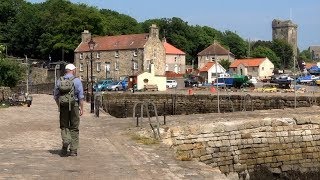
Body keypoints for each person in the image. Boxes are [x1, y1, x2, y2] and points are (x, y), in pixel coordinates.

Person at [53, 63, 84, 157]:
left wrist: (59, 106)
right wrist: (81, 108)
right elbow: (81, 97)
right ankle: (73, 150)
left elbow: (55, 96)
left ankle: (65, 143)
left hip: (63, 106)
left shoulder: (59, 80)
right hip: (74, 105)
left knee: (64, 126)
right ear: (73, 70)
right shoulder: (77, 81)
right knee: (74, 127)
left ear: (66, 71)